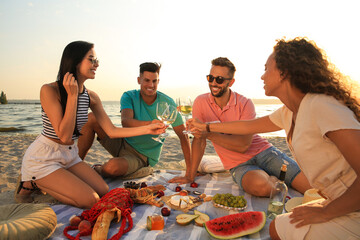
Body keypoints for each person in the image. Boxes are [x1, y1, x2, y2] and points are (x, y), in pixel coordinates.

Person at [188, 38, 360, 239]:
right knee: (275, 228)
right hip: (339, 199)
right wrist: (206, 127)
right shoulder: (289, 111)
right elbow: (248, 126)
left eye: (266, 68)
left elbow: (244, 138)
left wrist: (326, 212)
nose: (262, 75)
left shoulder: (322, 106)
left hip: (351, 204)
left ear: (284, 72)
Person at [15, 41, 165, 209]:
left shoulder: (91, 96)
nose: (97, 64)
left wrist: (149, 128)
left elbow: (112, 131)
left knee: (103, 189)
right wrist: (72, 97)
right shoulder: (49, 90)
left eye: (96, 60)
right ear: (75, 61)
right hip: (44, 157)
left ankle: (54, 178)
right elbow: (64, 136)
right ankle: (31, 182)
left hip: (70, 155)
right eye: (92, 59)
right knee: (90, 200)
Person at [169, 57, 310, 197]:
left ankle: (276, 175)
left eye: (219, 79)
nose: (213, 83)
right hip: (238, 164)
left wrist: (208, 133)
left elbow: (243, 146)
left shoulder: (245, 103)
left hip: (265, 152)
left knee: (310, 186)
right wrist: (190, 176)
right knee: (263, 188)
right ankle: (274, 177)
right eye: (210, 78)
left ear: (231, 82)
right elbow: (199, 141)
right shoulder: (200, 102)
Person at [78, 62, 191, 179]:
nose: (151, 85)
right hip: (122, 142)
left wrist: (190, 172)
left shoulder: (168, 103)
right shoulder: (129, 96)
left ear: (158, 81)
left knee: (110, 168)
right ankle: (76, 164)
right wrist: (150, 125)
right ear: (139, 80)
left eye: (154, 81)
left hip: (141, 156)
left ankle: (97, 169)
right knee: (91, 117)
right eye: (146, 80)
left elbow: (183, 136)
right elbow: (126, 122)